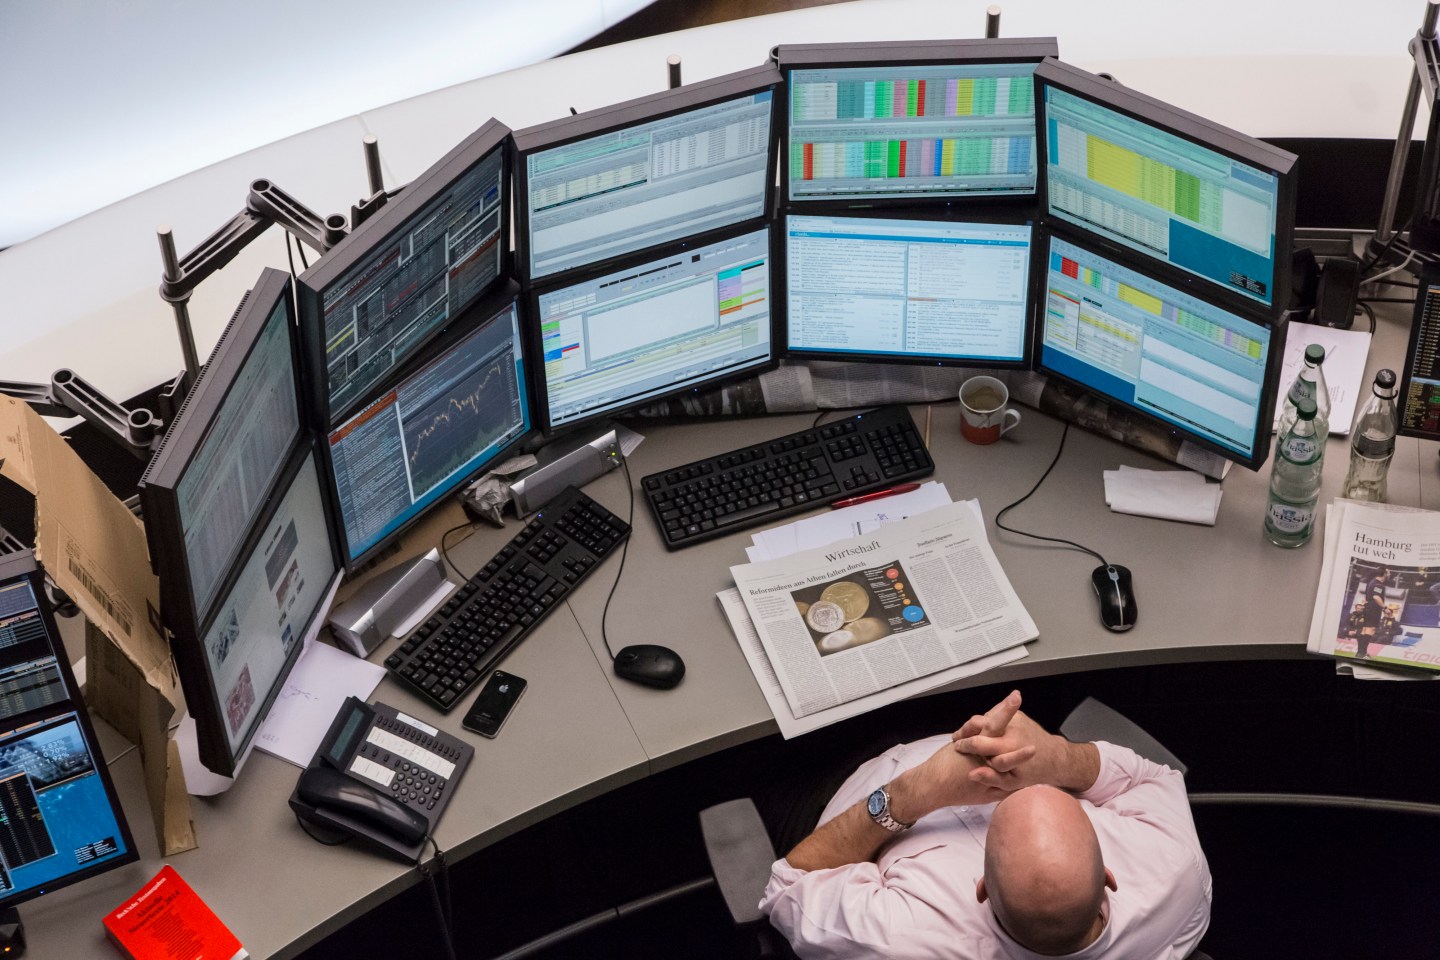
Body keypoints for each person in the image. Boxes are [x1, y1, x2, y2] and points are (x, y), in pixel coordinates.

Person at [760, 691, 1211, 959]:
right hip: (1010, 740)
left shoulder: (899, 941)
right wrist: (1056, 759)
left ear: (982, 888)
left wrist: (920, 790)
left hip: (860, 768)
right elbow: (1154, 777)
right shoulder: (1176, 874)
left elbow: (789, 886)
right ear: (1109, 877)